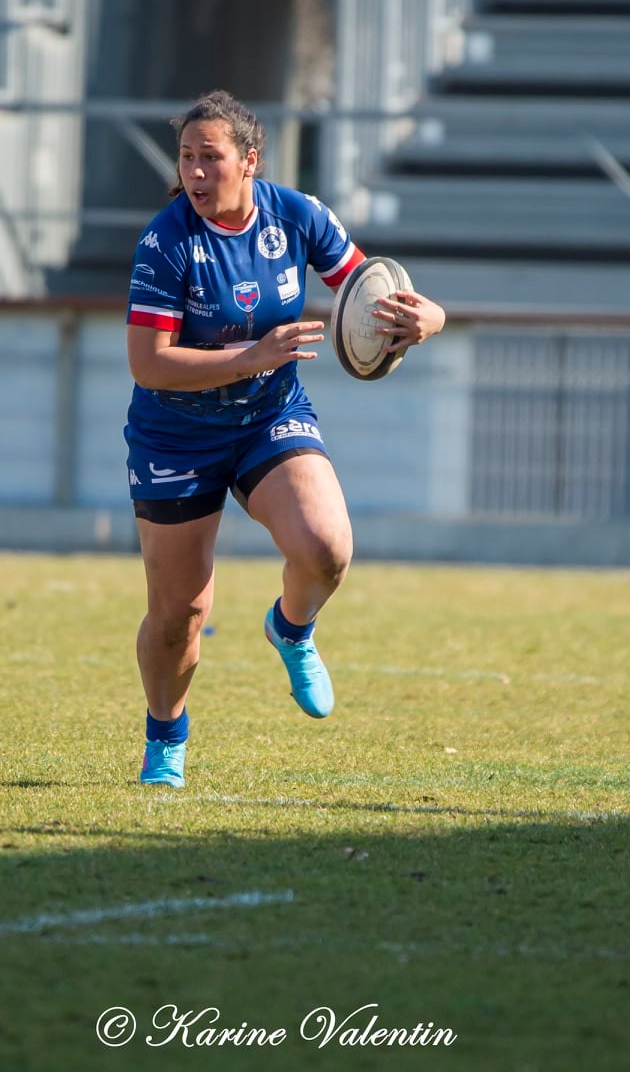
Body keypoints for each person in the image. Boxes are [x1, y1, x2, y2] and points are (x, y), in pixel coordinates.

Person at [124, 90, 446, 788]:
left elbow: (368, 291)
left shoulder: (296, 216)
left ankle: (291, 628)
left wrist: (429, 319)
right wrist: (249, 356)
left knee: (327, 548)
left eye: (211, 158)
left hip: (268, 417)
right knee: (180, 614)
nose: (196, 174)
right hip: (176, 434)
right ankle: (166, 739)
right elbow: (148, 363)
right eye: (187, 158)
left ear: (250, 160)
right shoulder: (166, 241)